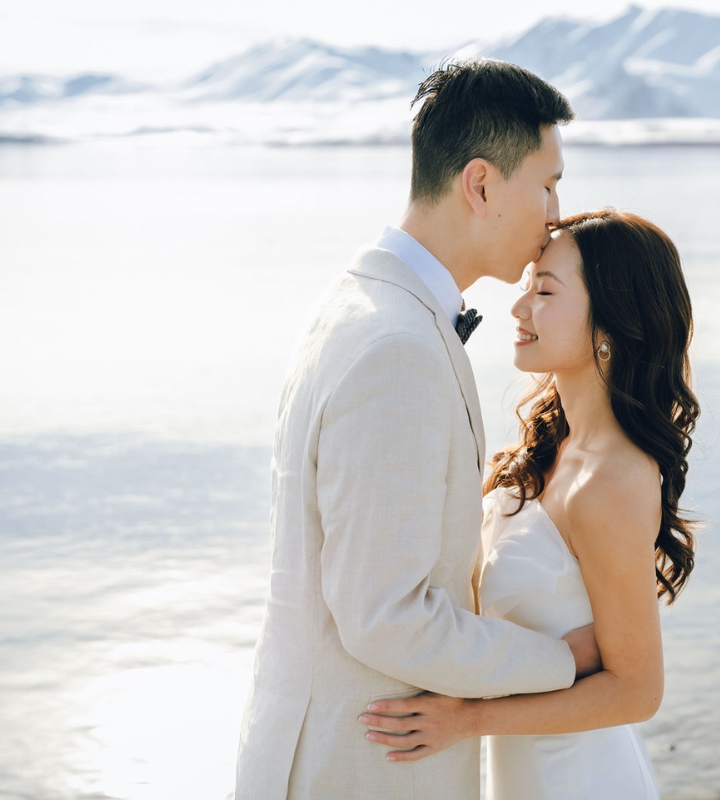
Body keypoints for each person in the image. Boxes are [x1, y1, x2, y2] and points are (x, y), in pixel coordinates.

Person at [234, 60, 604, 800]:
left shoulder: (360, 303)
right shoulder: (396, 349)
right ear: (480, 185)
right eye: (547, 183)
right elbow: (386, 616)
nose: (556, 211)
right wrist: (559, 661)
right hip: (357, 766)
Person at [360, 209, 700, 799]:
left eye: (544, 291)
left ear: (609, 325)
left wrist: (467, 717)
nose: (518, 309)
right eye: (525, 289)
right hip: (524, 772)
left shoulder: (612, 479)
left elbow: (638, 691)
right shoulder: (551, 448)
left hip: (580, 778)